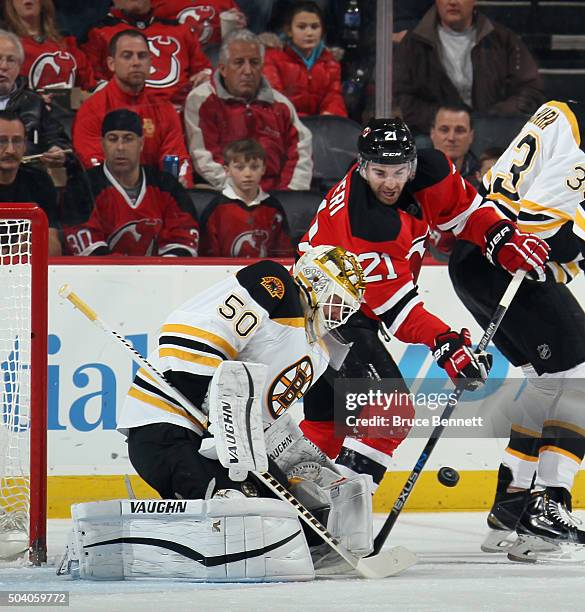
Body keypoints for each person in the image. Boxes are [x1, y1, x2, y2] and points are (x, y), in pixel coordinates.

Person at [297, 117, 550, 493]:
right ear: (362, 166)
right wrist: (446, 343)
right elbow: (397, 311)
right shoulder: (364, 221)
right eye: (379, 172)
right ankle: (340, 511)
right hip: (324, 312)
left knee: (329, 419)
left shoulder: (432, 170)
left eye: (399, 171)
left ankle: (294, 498)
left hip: (347, 309)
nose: (390, 182)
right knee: (391, 410)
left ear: (413, 165)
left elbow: (467, 212)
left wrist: (502, 238)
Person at [117, 245, 375, 573]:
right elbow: (191, 331)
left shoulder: (317, 348)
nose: (341, 311)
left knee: (299, 528)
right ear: (317, 282)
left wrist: (293, 458)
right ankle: (152, 540)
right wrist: (207, 399)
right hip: (165, 428)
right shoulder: (275, 284)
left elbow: (261, 417)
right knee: (236, 511)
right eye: (338, 298)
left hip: (223, 444)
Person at [448, 100, 585, 561]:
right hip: (504, 260)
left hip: (476, 256)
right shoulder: (580, 141)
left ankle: (512, 506)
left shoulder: (561, 112)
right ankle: (548, 504)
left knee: (549, 384)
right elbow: (538, 226)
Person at [184, 29, 313, 191]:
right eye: (239, 62)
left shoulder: (281, 105)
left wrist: (290, 195)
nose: (248, 71)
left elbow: (300, 153)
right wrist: (243, 192)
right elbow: (204, 157)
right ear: (223, 69)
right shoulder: (201, 100)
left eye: (254, 62)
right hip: (225, 194)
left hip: (278, 196)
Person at [394, 0, 545, 135]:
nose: (452, 2)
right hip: (432, 134)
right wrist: (441, 117)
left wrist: (493, 116)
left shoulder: (502, 39)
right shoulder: (413, 43)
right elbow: (401, 96)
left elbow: (531, 89)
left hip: (491, 133)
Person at [63, 109, 199, 257]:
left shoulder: (166, 185)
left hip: (161, 277)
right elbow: (87, 246)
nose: (120, 147)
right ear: (102, 144)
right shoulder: (81, 186)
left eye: (128, 139)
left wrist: (160, 274)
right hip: (102, 278)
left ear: (141, 144)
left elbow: (183, 236)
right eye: (113, 139)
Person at [72, 29, 193, 186]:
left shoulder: (164, 109)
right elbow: (94, 164)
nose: (136, 63)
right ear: (111, 64)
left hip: (157, 196)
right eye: (127, 56)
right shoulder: (92, 109)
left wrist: (176, 184)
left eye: (142, 56)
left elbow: (177, 158)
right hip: (108, 196)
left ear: (150, 62)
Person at [81, 0, 211, 107]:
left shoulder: (179, 30)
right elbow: (91, 83)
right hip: (128, 116)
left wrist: (206, 75)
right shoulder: (98, 33)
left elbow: (204, 69)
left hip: (181, 112)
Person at [199, 138, 293, 257]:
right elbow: (207, 256)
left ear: (263, 169)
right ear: (227, 170)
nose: (248, 174)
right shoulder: (216, 209)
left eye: (254, 167)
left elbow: (284, 253)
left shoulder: (273, 207)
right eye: (240, 167)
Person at [262, 1, 346, 118]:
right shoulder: (272, 59)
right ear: (289, 31)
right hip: (286, 127)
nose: (309, 33)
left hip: (321, 129)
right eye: (302, 27)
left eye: (315, 27)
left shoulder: (331, 63)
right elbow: (275, 99)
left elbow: (334, 99)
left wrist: (329, 117)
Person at [0, 29, 70, 167]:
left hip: (24, 176)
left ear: (19, 67)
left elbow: (57, 139)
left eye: (11, 60)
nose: (3, 66)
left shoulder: (34, 102)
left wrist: (57, 151)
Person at [0, 110, 61, 255]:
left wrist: (37, 242)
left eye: (17, 141)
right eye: (1, 141)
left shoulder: (40, 181)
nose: (10, 150)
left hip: (26, 271)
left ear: (25, 144)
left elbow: (55, 249)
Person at [2, 0, 96, 92]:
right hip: (21, 106)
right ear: (11, 3)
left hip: (66, 106)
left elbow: (88, 84)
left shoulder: (67, 43)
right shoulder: (4, 44)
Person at [151, 0, 247, 48]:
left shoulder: (223, 1)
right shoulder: (160, 3)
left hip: (217, 49)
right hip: (177, 50)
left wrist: (240, 22)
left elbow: (236, 20)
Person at [429, 104, 478, 185]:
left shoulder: (484, 180)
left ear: (471, 136)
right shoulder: (413, 177)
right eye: (444, 130)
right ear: (432, 133)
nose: (451, 138)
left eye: (460, 130)